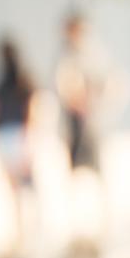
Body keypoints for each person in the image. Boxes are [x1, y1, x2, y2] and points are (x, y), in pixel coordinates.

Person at [54, 12, 110, 170]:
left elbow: (103, 79)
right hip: (72, 116)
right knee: (74, 158)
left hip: (91, 114)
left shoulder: (91, 52)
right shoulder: (65, 53)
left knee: (95, 157)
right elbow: (61, 83)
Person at [0, 36, 35, 184]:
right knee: (19, 179)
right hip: (14, 131)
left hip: (14, 132)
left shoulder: (16, 80)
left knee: (19, 179)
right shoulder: (12, 80)